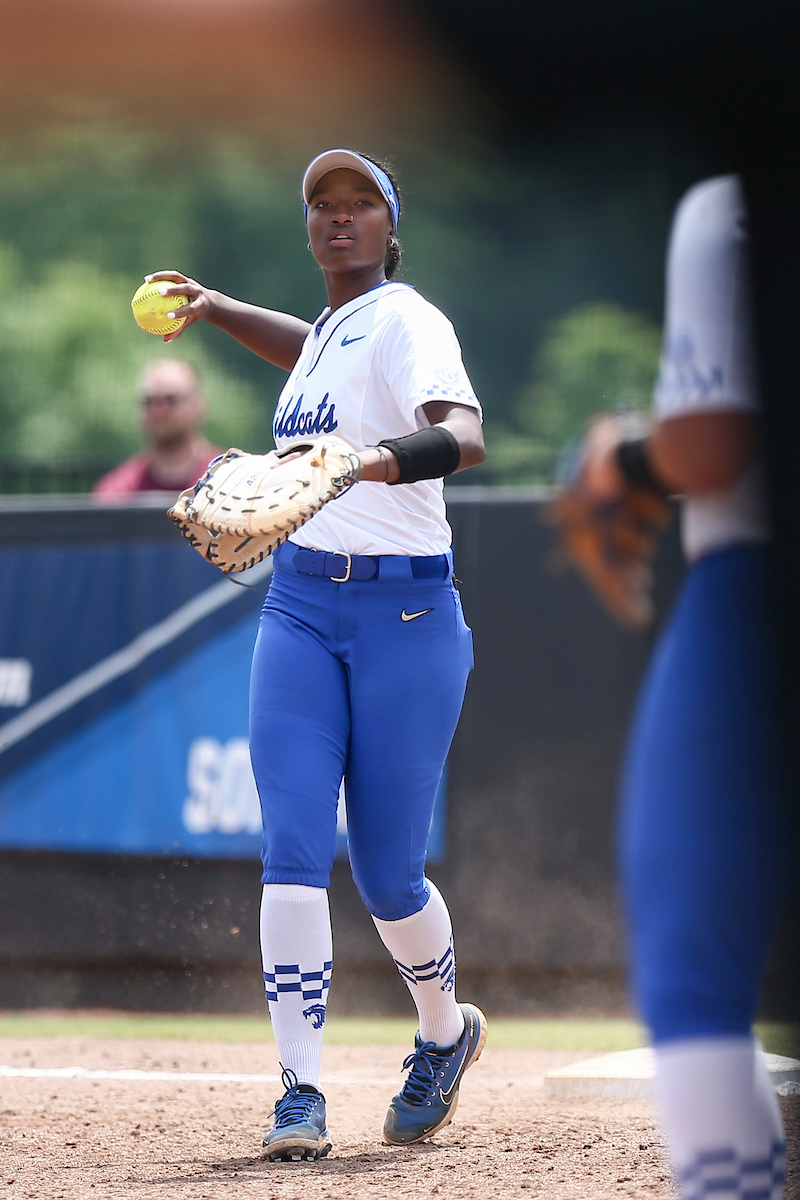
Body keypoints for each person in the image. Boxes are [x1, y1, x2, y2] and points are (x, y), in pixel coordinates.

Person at [145, 149, 488, 1162]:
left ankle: (443, 1032)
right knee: (292, 849)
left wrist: (367, 463)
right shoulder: (336, 333)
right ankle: (299, 1092)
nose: (338, 220)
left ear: (390, 226)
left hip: (407, 618)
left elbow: (463, 436)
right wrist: (213, 307)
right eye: (322, 207)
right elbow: (311, 350)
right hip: (297, 606)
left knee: (387, 874)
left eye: (359, 206)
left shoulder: (409, 320)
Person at [577, 177, 788, 1199]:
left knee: (694, 975)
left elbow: (709, 441)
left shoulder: (727, 197)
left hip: (756, 588)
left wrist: (616, 459)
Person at [93, 359, 221, 496]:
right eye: (150, 401)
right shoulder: (118, 491)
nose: (158, 411)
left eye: (171, 400)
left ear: (199, 405)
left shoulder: (226, 480)